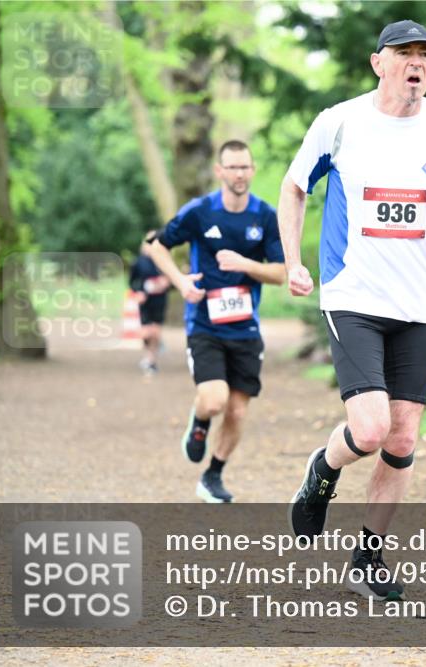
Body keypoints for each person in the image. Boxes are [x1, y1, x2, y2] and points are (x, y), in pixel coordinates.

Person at [278, 20, 426, 601]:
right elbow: (294, 188)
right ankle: (323, 466)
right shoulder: (339, 121)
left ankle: (368, 556)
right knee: (369, 430)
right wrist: (294, 260)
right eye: (405, 54)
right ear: (378, 64)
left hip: (420, 303)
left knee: (402, 438)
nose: (417, 64)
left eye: (425, 56)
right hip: (354, 297)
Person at [147, 140, 286, 503]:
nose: (239, 174)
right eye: (232, 167)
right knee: (214, 400)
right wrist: (180, 282)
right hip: (205, 325)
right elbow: (156, 245)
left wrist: (246, 265)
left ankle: (212, 476)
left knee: (238, 412)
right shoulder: (200, 211)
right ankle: (199, 422)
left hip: (245, 329)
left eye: (245, 167)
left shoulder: (265, 216)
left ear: (252, 171)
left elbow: (280, 272)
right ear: (219, 171)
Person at [129, 235, 171, 374]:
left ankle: (151, 360)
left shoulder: (165, 261)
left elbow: (173, 279)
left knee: (156, 330)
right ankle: (151, 350)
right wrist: (138, 292)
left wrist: (166, 282)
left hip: (160, 300)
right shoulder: (139, 262)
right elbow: (132, 282)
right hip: (145, 301)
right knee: (147, 332)